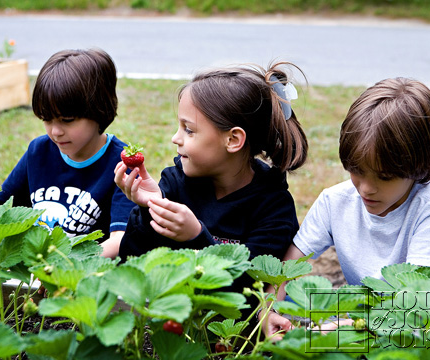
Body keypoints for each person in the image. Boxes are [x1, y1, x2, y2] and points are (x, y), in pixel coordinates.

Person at [261, 77, 430, 339]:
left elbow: (423, 302)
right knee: (294, 305)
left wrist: (344, 327)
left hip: (413, 320)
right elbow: (290, 265)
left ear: (420, 165)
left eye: (384, 177)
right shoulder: (335, 201)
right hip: (357, 313)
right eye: (356, 171)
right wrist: (269, 310)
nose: (365, 188)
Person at [111, 62, 309, 299]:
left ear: (233, 139)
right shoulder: (174, 183)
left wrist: (197, 237)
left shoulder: (273, 207)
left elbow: (247, 290)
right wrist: (150, 207)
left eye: (189, 130)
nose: (175, 138)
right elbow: (130, 263)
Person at [0, 48, 135, 257]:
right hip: (37, 269)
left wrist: (68, 265)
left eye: (67, 120)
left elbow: (120, 240)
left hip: (87, 277)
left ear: (99, 110)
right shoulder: (38, 152)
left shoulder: (122, 164)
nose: (55, 132)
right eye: (46, 119)